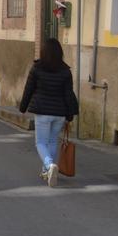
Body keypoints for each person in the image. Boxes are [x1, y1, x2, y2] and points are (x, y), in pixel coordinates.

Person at [19, 38, 79, 187]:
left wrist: (23, 107)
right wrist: (70, 113)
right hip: (59, 113)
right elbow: (68, 93)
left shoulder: (37, 68)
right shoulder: (65, 71)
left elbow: (29, 89)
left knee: (40, 142)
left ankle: (50, 165)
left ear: (43, 52)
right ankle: (47, 171)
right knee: (52, 141)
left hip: (42, 111)